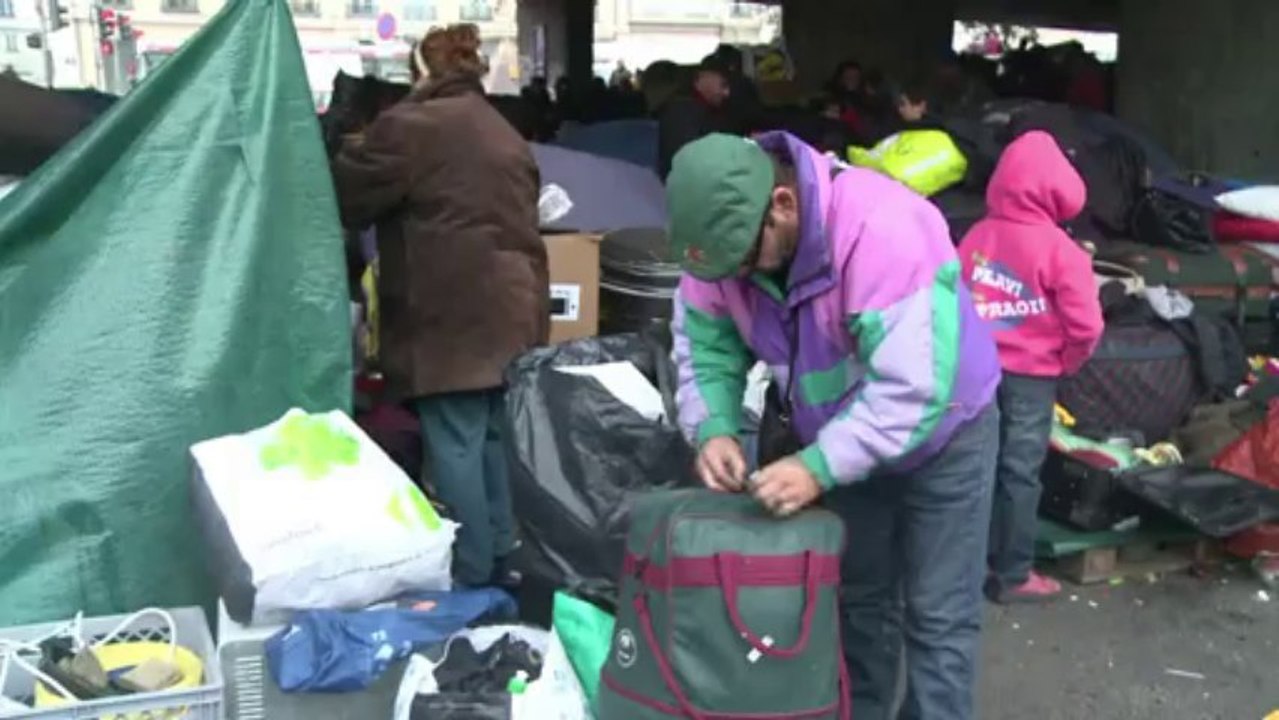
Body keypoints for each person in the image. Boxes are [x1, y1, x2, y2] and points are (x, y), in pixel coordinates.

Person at [668, 132, 1002, 720]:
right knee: (859, 605)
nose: (736, 277)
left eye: (744, 260)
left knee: (937, 617)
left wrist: (816, 467)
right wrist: (714, 426)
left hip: (946, 435)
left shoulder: (885, 230)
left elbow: (912, 389)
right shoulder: (720, 246)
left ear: (783, 205)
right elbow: (707, 343)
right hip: (843, 441)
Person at [332, 24, 549, 588]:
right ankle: (501, 556)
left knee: (453, 440)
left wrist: (344, 141)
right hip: (512, 306)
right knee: (490, 437)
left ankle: (470, 571)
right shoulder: (500, 128)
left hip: (451, 311)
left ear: (420, 73)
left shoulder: (412, 126)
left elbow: (349, 196)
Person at [958, 131, 1104, 604]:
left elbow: (950, 303)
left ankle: (964, 571)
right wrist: (1066, 361)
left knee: (972, 467)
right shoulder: (1062, 250)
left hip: (975, 373)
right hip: (1031, 378)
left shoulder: (977, 236)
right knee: (1019, 472)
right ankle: (1013, 574)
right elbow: (1086, 326)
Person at [656, 55, 731, 179]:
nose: (726, 93)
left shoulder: (700, 109)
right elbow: (689, 164)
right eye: (722, 85)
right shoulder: (682, 113)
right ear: (701, 79)